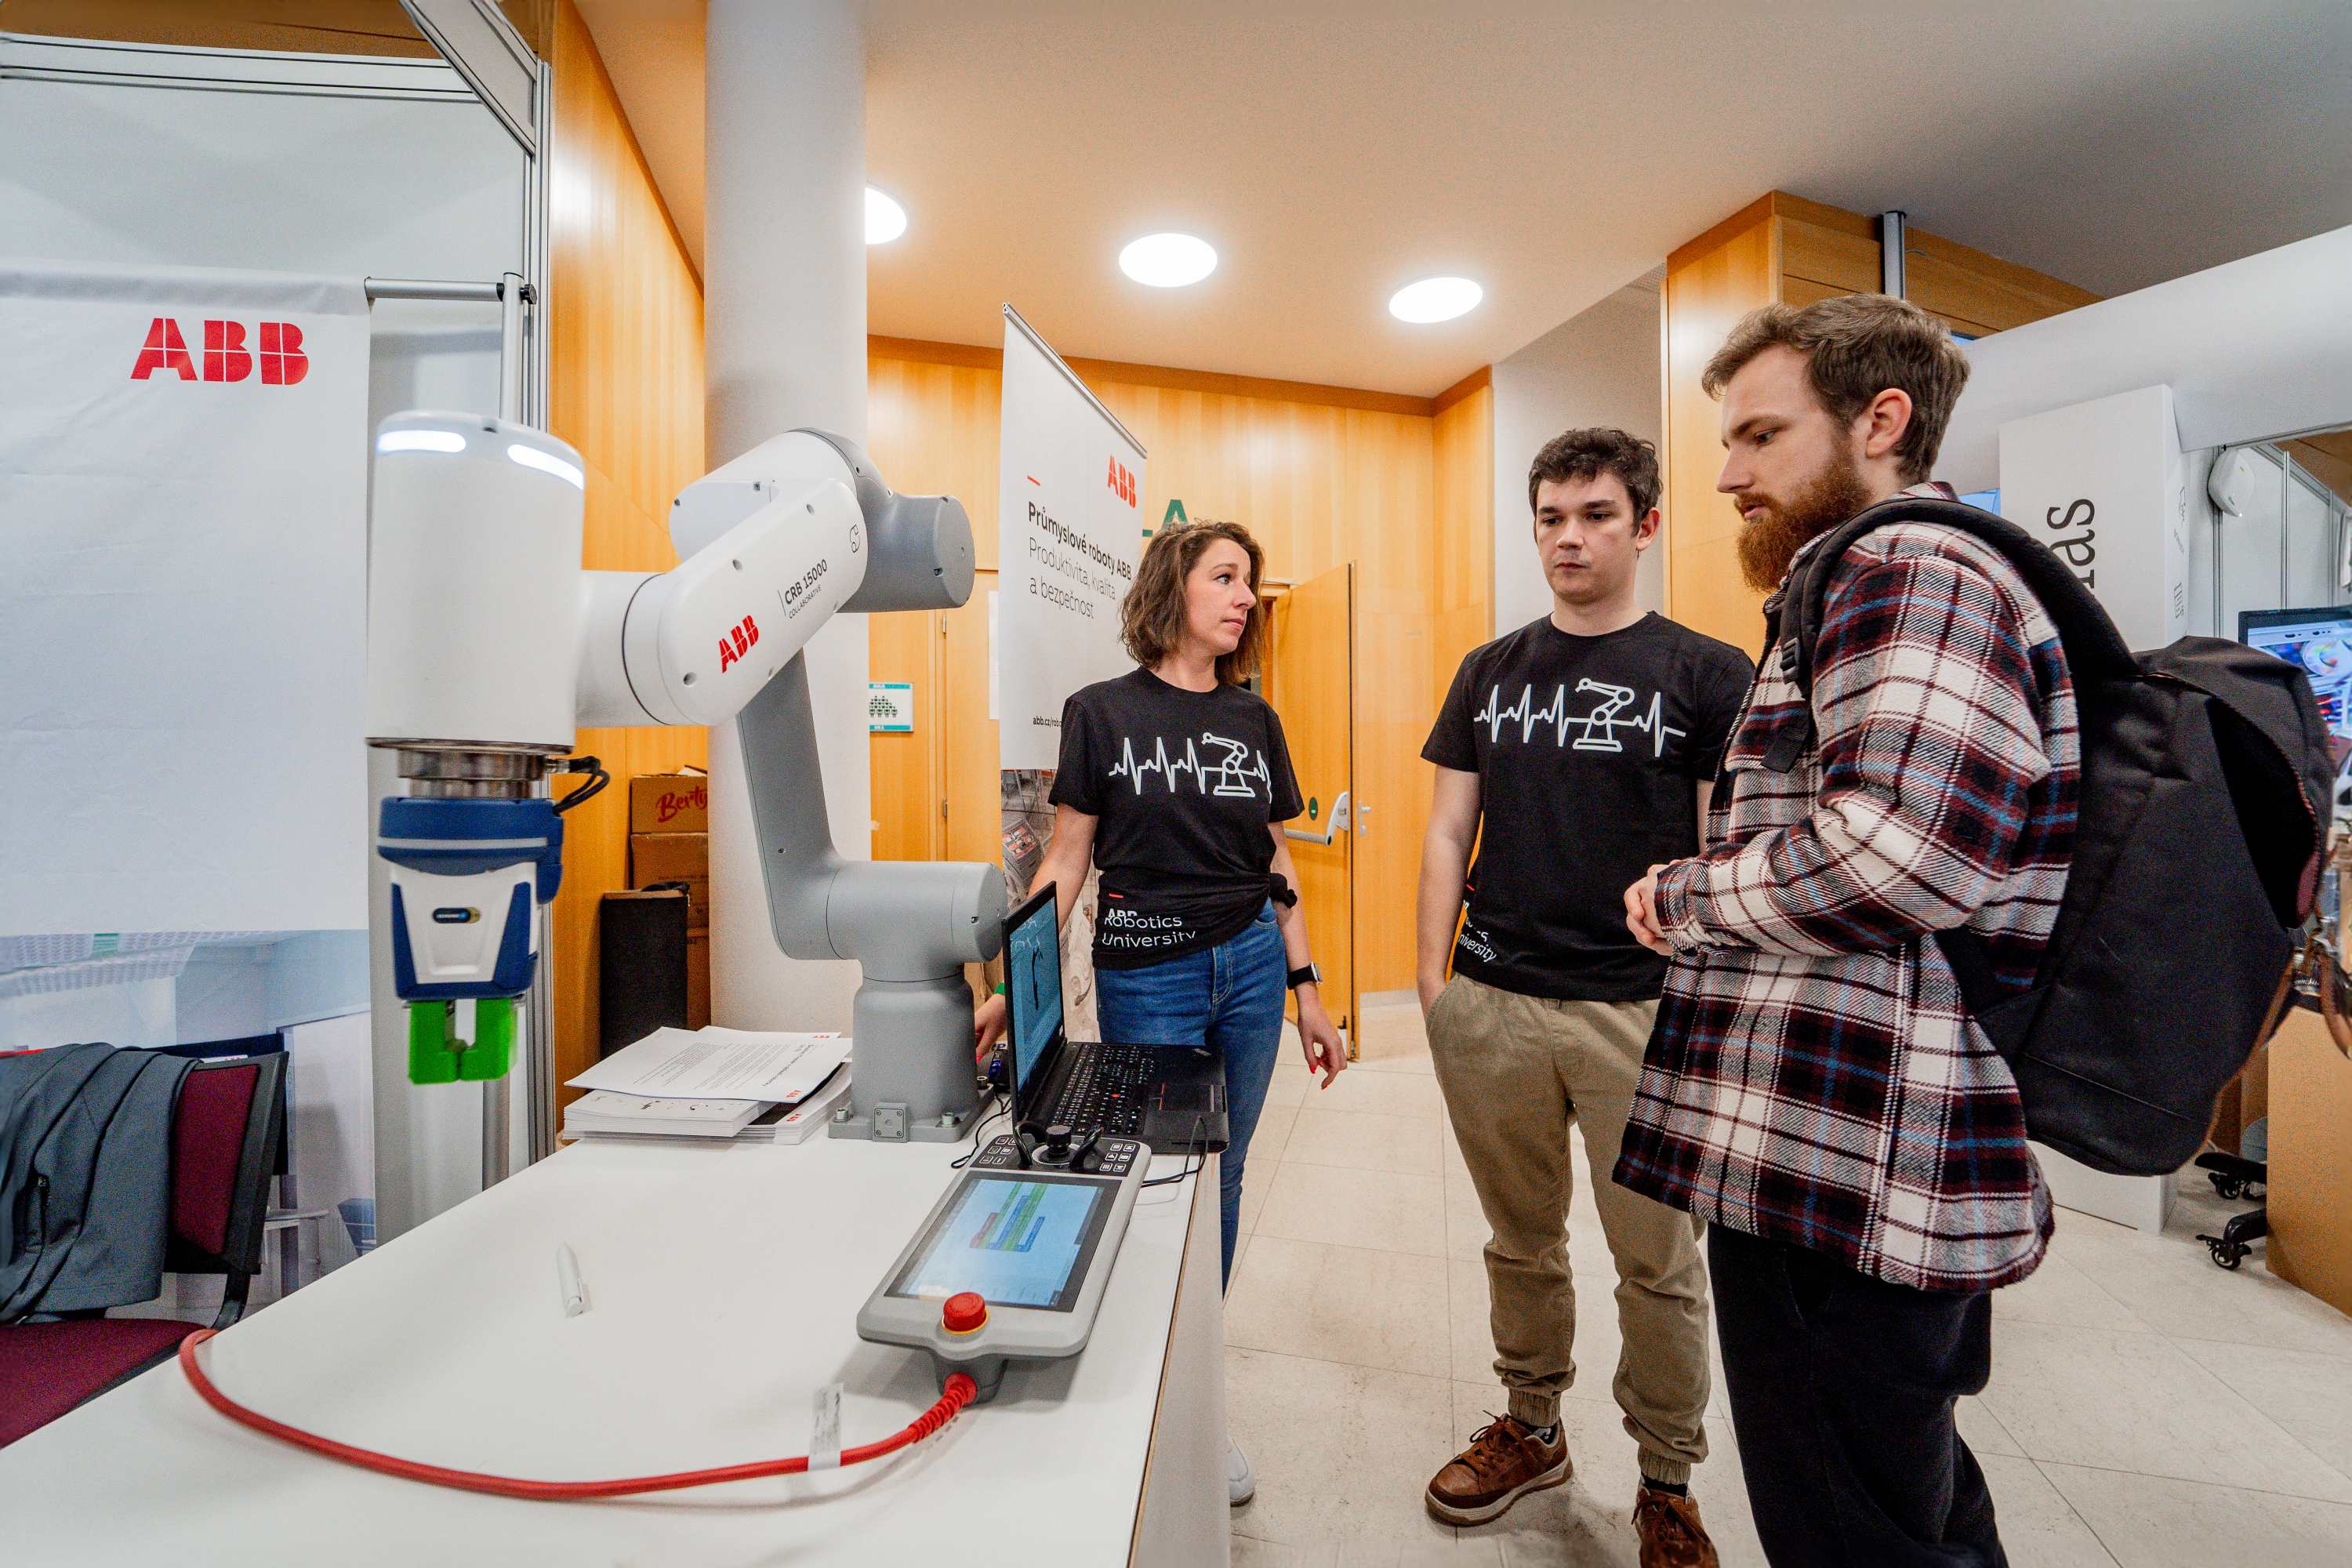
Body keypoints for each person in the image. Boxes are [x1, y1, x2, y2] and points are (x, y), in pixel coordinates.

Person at [1617, 294, 2078, 1567]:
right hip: (1843, 1161)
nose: (1728, 474)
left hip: (1851, 1173)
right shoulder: (1880, 576)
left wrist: (1686, 897)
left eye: (1760, 436)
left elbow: (1904, 853)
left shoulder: (1905, 568)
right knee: (1907, 1507)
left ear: (1881, 422)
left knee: (1845, 1527)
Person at [1417, 428, 1751, 1567]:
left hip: (1638, 1012)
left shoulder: (1705, 672)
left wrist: (1707, 1006)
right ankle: (1533, 1426)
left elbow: (1718, 854)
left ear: (1645, 525)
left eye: (1597, 514)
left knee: (1657, 1262)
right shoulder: (1490, 669)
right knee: (1521, 1241)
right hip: (1494, 1001)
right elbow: (1449, 828)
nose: (1570, 537)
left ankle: (1667, 1481)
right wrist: (1434, 983)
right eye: (1552, 517)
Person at [972, 517, 1347, 1508]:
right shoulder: (1101, 712)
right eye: (1226, 576)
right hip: (1149, 972)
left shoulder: (1254, 720)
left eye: (1250, 581)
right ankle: (1138, 1367)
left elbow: (1276, 859)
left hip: (1252, 966)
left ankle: (1191, 1389)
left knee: (1224, 1172)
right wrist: (1014, 982)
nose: (1245, 597)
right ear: (1172, 584)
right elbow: (1067, 860)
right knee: (1161, 1173)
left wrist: (1309, 990)